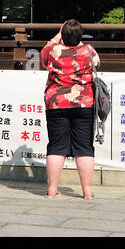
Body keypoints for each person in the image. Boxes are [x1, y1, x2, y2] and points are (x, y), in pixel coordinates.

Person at [39, 19, 100, 199]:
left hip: (56, 103)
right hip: (83, 103)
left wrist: (58, 35)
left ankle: (52, 189)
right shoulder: (89, 51)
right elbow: (96, 64)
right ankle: (87, 191)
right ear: (80, 36)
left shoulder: (52, 51)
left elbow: (43, 53)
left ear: (62, 35)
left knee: (57, 146)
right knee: (84, 147)